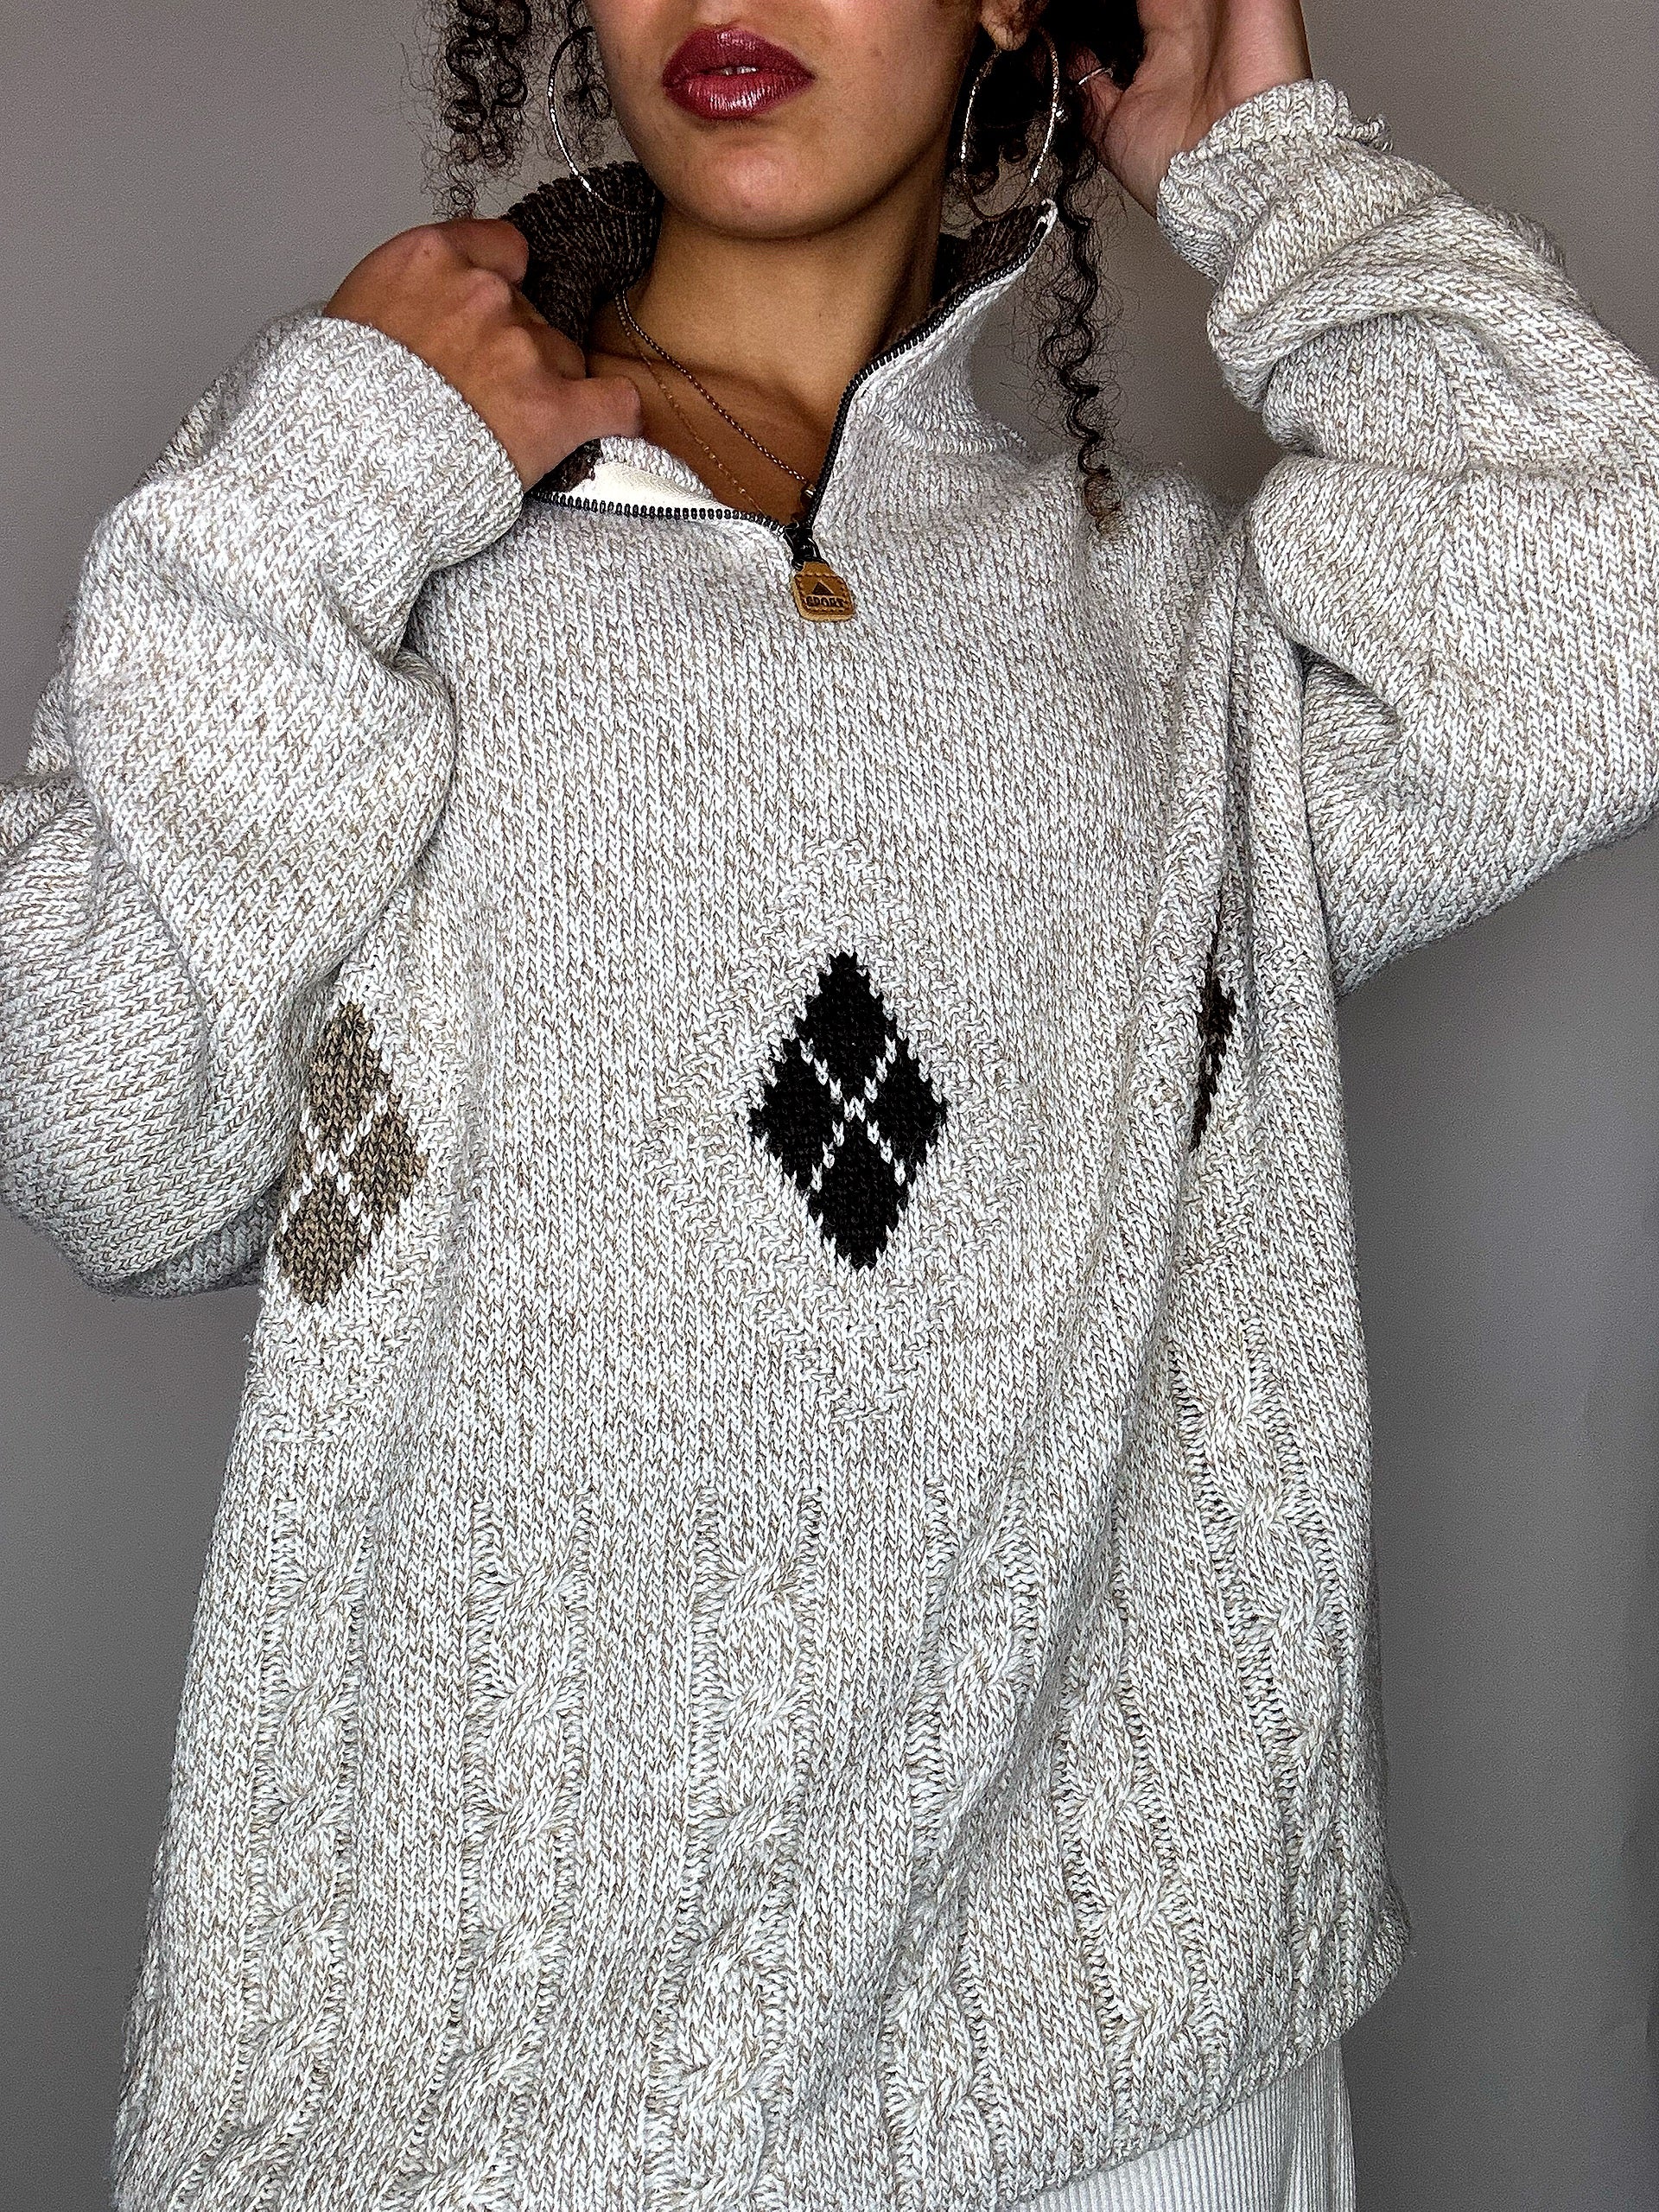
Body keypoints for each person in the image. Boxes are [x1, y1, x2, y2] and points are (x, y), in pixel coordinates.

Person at [1, 0, 1655, 2205]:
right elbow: (109, 1137)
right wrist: (334, 467)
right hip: (492, 2105)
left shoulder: (1165, 624)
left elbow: (1600, 610)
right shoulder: (366, 504)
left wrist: (1269, 170)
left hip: (1117, 2084)